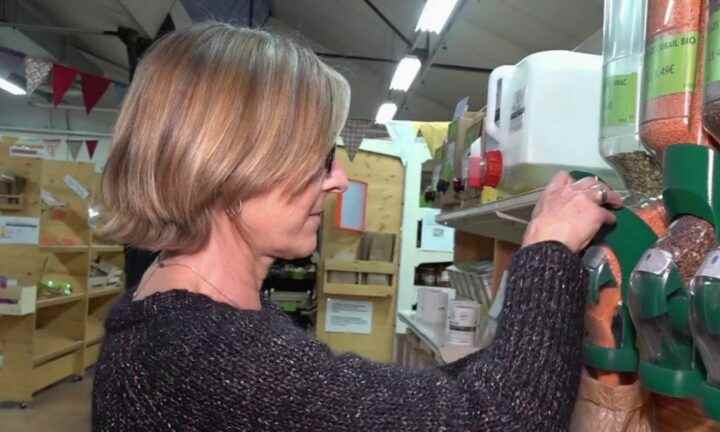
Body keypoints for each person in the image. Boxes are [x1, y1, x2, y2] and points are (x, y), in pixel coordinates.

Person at [92, 22, 622, 431]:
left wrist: (518, 354)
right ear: (233, 163)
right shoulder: (208, 359)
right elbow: (501, 421)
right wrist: (547, 249)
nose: (340, 180)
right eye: (321, 158)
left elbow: (396, 402)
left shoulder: (174, 319)